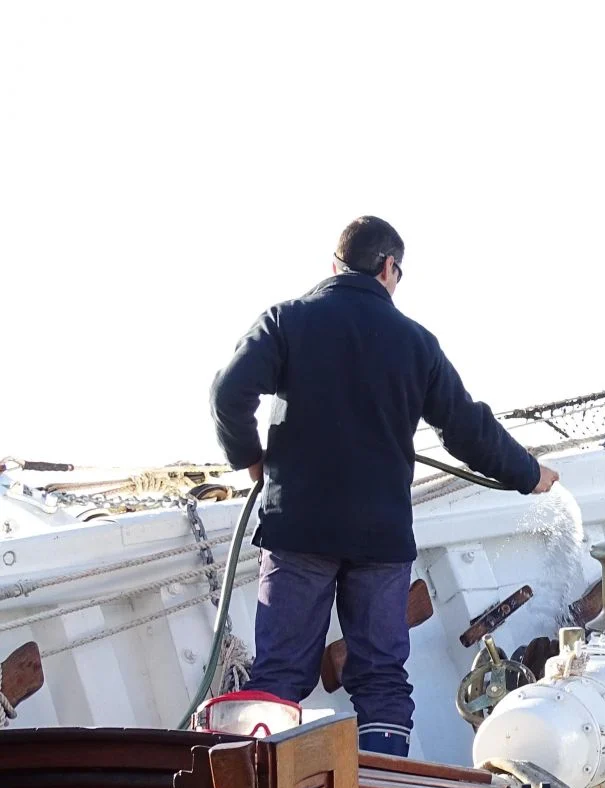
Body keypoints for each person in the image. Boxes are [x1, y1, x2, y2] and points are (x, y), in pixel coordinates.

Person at [209, 215, 557, 757]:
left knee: (277, 675)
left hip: (298, 529)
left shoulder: (286, 321)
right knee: (381, 681)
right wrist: (528, 474)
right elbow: (467, 428)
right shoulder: (416, 343)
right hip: (380, 539)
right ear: (389, 267)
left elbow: (228, 394)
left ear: (335, 265)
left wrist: (249, 458)